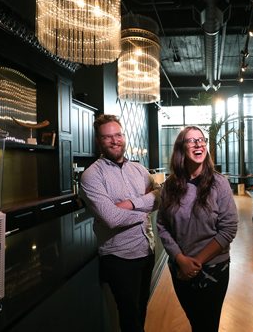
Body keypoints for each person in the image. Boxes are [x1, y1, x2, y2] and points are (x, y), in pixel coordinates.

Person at [80, 114, 160, 332]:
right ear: (99, 141)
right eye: (108, 137)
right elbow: (112, 219)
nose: (115, 141)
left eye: (118, 135)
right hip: (119, 257)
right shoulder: (91, 176)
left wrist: (130, 204)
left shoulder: (139, 170)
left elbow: (161, 195)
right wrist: (145, 209)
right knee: (129, 316)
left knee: (141, 309)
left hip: (146, 250)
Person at [157, 125, 238, 332]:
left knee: (208, 326)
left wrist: (195, 263)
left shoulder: (219, 184)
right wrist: (180, 259)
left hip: (213, 268)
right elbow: (162, 225)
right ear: (181, 148)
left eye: (201, 140)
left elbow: (228, 229)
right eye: (191, 140)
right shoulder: (170, 186)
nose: (198, 144)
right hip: (179, 269)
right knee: (195, 322)